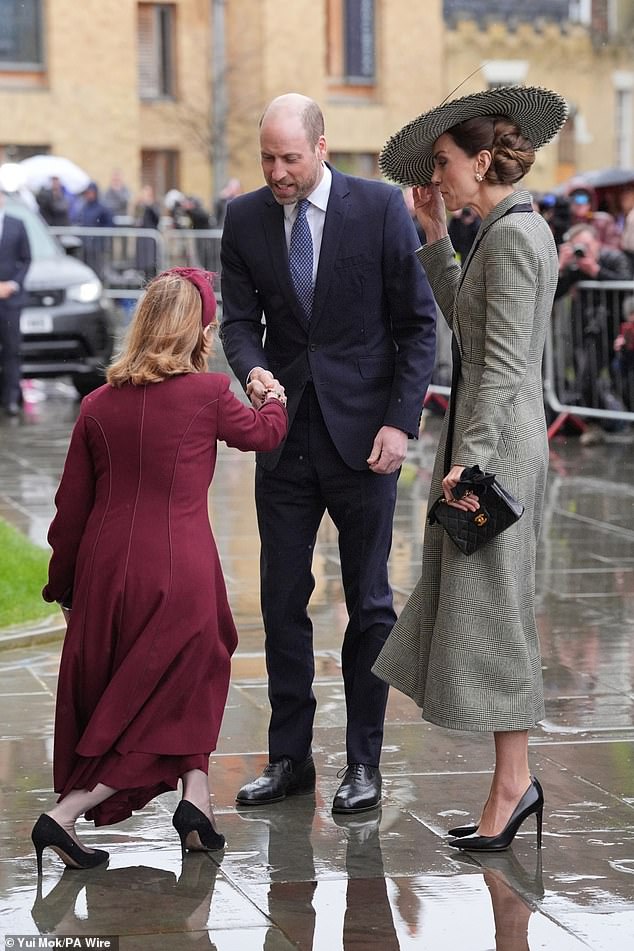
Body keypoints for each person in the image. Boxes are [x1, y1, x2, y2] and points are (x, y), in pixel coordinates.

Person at [220, 93, 437, 814]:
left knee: (369, 603)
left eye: (289, 157)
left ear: (321, 146)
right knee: (282, 601)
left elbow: (416, 325)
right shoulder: (244, 217)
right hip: (284, 440)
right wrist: (249, 366)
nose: (277, 172)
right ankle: (289, 759)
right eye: (266, 158)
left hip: (366, 441)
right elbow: (238, 321)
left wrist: (401, 424)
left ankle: (364, 764)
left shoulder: (378, 209)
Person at [32, 268, 288, 875]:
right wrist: (272, 396)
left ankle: (196, 805)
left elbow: (70, 509)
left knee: (177, 682)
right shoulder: (207, 394)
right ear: (199, 330)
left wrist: (63, 587)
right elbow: (264, 435)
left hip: (105, 571)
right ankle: (65, 815)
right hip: (179, 568)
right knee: (164, 693)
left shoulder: (97, 406)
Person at [372, 84, 568, 851]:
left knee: (498, 617)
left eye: (447, 162)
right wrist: (434, 236)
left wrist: (474, 462)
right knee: (489, 614)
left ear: (483, 158)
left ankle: (514, 786)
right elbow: (469, 325)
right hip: (489, 441)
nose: (439, 175)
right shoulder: (500, 229)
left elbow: (506, 367)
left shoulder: (518, 236)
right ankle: (510, 785)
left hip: (499, 449)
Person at [555, 221, 632, 436]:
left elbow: (627, 284)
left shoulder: (613, 258)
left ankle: (613, 424)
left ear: (597, 243)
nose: (584, 251)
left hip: (613, 329)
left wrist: (597, 271)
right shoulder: (577, 266)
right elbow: (555, 293)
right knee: (586, 379)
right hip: (585, 328)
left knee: (613, 380)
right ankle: (604, 424)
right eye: (578, 246)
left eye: (586, 245)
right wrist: (561, 266)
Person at [0, 188, 32, 416]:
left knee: (12, 350)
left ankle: (10, 400)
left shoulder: (16, 223)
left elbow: (26, 259)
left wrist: (11, 284)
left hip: (11, 299)